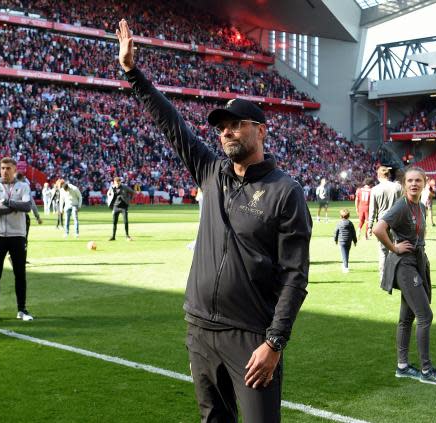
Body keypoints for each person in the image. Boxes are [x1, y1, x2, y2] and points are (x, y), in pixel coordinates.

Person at [117, 19, 312, 423]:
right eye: (221, 128)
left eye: (235, 124)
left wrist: (274, 343)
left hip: (251, 337)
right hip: (200, 331)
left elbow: (295, 276)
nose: (226, 133)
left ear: (260, 130)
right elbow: (172, 125)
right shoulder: (212, 172)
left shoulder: (284, 191)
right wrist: (133, 73)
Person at [373, 166, 436, 385]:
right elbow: (379, 229)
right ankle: (426, 371)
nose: (414, 184)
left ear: (424, 183)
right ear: (404, 184)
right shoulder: (401, 205)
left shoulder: (420, 206)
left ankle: (403, 366)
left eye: (418, 180)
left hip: (416, 262)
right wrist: (394, 247)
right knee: (425, 316)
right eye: (410, 181)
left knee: (407, 318)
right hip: (404, 264)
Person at [0, 157, 34, 323]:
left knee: (20, 274)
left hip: (17, 236)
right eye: (2, 168)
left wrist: (7, 202)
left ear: (15, 170)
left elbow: (27, 207)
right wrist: (15, 206)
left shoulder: (23, 186)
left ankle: (22, 310)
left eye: (8, 168)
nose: (4, 171)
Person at [367, 166, 402, 281]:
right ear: (389, 175)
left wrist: (369, 226)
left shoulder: (375, 190)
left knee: (383, 251)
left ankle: (383, 278)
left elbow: (372, 210)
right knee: (397, 249)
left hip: (382, 222)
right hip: (397, 222)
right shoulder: (397, 187)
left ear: (378, 176)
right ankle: (397, 276)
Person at [107, 176, 135, 241]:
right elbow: (108, 194)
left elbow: (133, 192)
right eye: (116, 183)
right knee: (114, 222)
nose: (117, 184)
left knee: (126, 222)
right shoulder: (112, 188)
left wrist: (129, 200)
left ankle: (127, 236)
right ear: (114, 182)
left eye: (119, 183)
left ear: (120, 182)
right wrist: (109, 195)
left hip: (124, 207)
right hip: (115, 207)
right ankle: (113, 237)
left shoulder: (125, 187)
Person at [334, 208, 357, 273]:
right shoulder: (350, 223)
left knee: (344, 254)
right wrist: (355, 241)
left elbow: (336, 232)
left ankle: (346, 267)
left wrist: (335, 240)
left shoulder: (339, 223)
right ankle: (344, 265)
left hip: (341, 241)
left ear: (340, 216)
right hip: (348, 241)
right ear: (348, 216)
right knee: (346, 253)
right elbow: (353, 233)